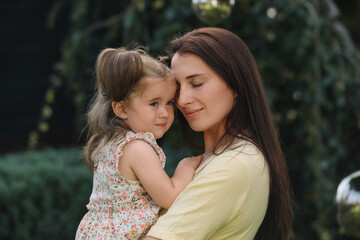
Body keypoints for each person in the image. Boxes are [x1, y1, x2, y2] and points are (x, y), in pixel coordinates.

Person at [145, 27, 293, 240]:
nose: (182, 100)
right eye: (178, 87)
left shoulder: (233, 165)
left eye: (196, 83)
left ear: (235, 84)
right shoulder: (223, 159)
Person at [75, 47, 202, 240]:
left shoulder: (112, 142)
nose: (164, 112)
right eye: (154, 103)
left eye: (169, 102)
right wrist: (186, 167)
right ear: (122, 109)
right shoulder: (137, 148)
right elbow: (170, 197)